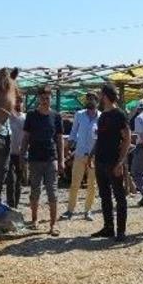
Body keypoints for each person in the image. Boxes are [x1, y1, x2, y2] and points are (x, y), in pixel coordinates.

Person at [22, 86, 65, 236]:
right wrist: (22, 155)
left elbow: (59, 139)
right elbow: (26, 137)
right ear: (39, 99)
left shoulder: (56, 116)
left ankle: (53, 225)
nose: (45, 101)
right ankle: (34, 220)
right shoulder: (31, 115)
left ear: (51, 98)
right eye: (43, 98)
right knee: (35, 191)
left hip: (51, 158)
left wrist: (61, 160)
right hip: (34, 159)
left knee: (52, 193)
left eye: (48, 98)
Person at [90, 84, 131, 241]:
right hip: (100, 161)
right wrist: (92, 155)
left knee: (119, 196)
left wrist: (120, 162)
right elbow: (100, 139)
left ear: (105, 96)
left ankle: (121, 231)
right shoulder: (103, 116)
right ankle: (108, 228)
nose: (99, 97)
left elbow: (127, 139)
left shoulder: (119, 114)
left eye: (101, 94)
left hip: (113, 162)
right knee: (105, 196)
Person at [63, 93, 99, 221]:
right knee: (75, 183)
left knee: (92, 185)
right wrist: (68, 148)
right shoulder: (79, 115)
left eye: (92, 98)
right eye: (88, 99)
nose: (89, 101)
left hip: (94, 156)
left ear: (96, 101)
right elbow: (73, 132)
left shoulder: (100, 117)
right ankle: (70, 210)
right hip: (79, 154)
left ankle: (88, 211)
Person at [6, 91, 26, 208]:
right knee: (10, 180)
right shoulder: (8, 117)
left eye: (20, 101)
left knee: (18, 181)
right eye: (16, 101)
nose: (18, 103)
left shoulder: (25, 118)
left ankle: (15, 205)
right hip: (8, 153)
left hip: (21, 154)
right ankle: (10, 204)